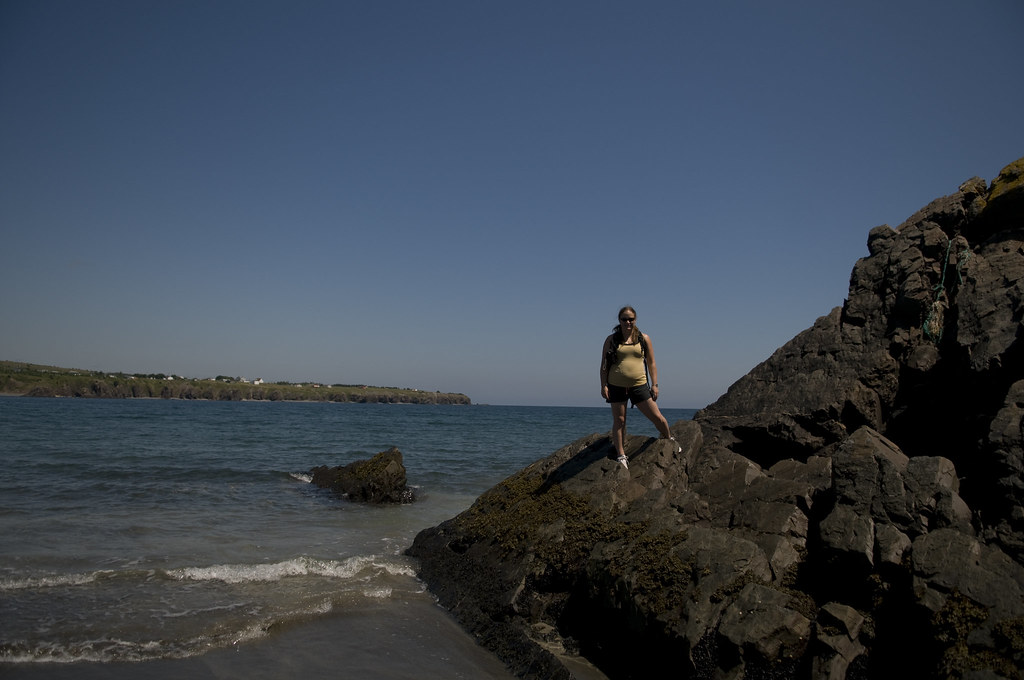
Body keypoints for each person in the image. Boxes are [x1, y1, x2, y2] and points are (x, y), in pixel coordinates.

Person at [600, 306, 681, 468]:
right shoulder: (611, 340)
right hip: (616, 385)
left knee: (657, 417)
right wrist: (604, 386)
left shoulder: (644, 338)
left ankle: (668, 438)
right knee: (619, 421)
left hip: (639, 385)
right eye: (624, 319)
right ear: (619, 320)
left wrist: (655, 385)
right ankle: (621, 455)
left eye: (631, 319)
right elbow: (604, 365)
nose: (628, 322)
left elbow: (651, 363)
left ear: (635, 320)